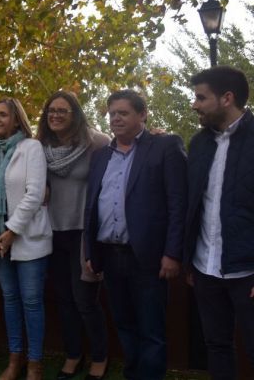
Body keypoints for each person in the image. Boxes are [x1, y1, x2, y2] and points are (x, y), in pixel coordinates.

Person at [83, 89, 187, 380]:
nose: (116, 119)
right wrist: (90, 252)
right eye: (112, 113)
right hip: (109, 255)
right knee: (124, 325)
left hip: (148, 258)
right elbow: (92, 205)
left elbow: (178, 203)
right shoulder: (101, 156)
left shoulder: (164, 146)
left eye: (123, 113)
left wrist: (172, 253)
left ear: (142, 114)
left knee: (151, 330)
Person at [184, 66, 254, 380]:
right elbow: (192, 204)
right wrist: (190, 261)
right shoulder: (199, 144)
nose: (194, 104)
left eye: (201, 97)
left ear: (227, 98)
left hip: (247, 271)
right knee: (217, 346)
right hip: (205, 269)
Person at [36, 91, 111, 380]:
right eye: (51, 110)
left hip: (83, 233)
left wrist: (156, 135)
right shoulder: (40, 146)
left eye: (62, 110)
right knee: (64, 300)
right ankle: (73, 354)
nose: (55, 115)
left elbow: (128, 153)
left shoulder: (97, 143)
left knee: (85, 301)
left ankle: (100, 356)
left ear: (75, 114)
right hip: (52, 232)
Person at [0, 98, 52, 380]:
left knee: (31, 302)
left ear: (17, 120)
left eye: (3, 115)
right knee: (10, 300)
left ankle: (35, 364)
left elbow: (35, 194)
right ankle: (15, 359)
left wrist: (10, 231)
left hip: (28, 238)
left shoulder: (31, 148)